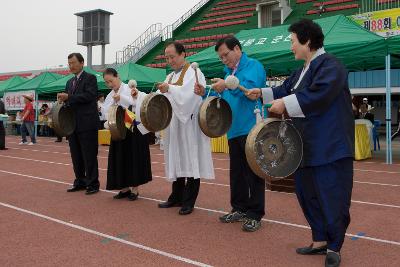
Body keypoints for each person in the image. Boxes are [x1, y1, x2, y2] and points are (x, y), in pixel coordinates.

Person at [246, 19, 354, 267]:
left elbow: (319, 93)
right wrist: (260, 93)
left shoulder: (331, 66)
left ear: (307, 40)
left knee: (332, 196)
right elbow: (285, 89)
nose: (291, 46)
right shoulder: (302, 70)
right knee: (307, 195)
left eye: (293, 40)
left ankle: (334, 246)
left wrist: (285, 104)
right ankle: (319, 239)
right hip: (305, 146)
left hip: (330, 147)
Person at [194, 36, 266, 232]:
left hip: (252, 127)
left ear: (237, 49)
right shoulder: (228, 72)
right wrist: (205, 92)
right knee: (237, 173)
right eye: (221, 58)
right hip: (233, 129)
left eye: (225, 55)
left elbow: (250, 90)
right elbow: (222, 97)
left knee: (254, 173)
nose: (224, 60)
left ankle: (255, 213)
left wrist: (227, 84)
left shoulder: (254, 65)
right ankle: (239, 208)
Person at [135, 42, 215, 215]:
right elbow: (158, 99)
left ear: (183, 54)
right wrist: (140, 96)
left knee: (191, 158)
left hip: (189, 124)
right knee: (176, 157)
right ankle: (176, 196)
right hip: (174, 124)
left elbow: (189, 96)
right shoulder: (170, 76)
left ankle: (189, 200)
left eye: (172, 56)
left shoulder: (194, 72)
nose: (170, 60)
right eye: (167, 57)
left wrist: (169, 89)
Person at [102, 68, 152, 200]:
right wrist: (114, 101)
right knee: (119, 157)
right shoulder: (109, 95)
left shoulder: (129, 89)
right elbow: (105, 113)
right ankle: (124, 188)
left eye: (111, 81)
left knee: (133, 157)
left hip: (132, 128)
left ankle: (135, 189)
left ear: (117, 76)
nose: (110, 84)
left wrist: (121, 98)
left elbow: (136, 102)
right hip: (118, 129)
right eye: (107, 83)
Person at [57, 53, 100, 195]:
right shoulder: (69, 82)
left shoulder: (90, 78)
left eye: (74, 62)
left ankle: (93, 183)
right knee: (76, 155)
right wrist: (64, 100)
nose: (71, 66)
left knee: (89, 155)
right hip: (72, 124)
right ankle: (80, 181)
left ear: (82, 63)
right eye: (69, 63)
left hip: (87, 123)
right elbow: (71, 100)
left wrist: (69, 97)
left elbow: (90, 96)